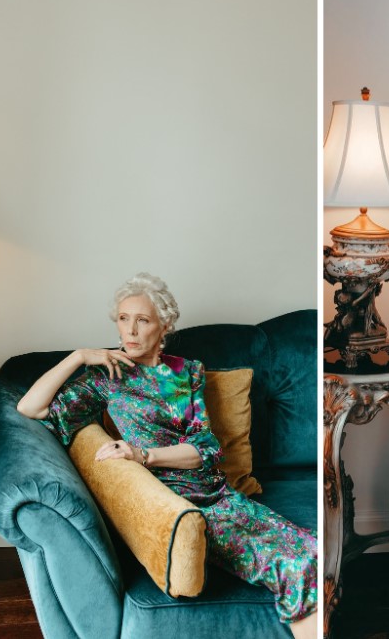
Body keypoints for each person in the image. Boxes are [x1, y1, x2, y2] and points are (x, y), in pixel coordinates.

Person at [16, 272, 318, 639]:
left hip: (220, 494)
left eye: (142, 320)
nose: (130, 330)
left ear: (164, 327)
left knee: (315, 555)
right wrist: (78, 356)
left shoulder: (185, 373)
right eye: (123, 319)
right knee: (294, 566)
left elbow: (205, 450)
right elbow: (30, 408)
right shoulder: (105, 377)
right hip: (179, 505)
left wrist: (144, 453)